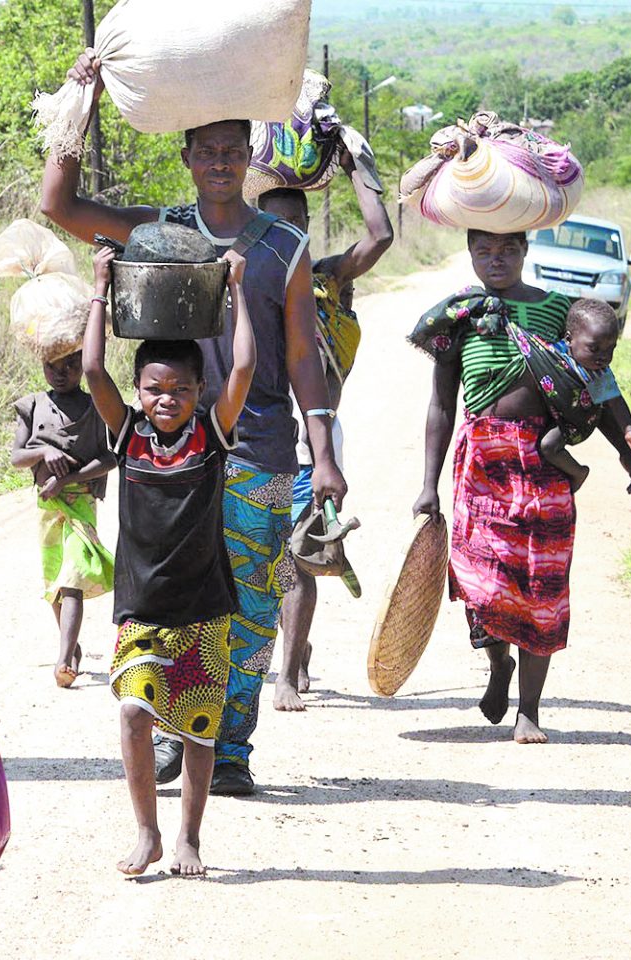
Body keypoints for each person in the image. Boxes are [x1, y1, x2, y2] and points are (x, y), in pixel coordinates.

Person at [40, 49, 347, 797]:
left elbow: (302, 356)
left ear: (251, 157)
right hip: (171, 450)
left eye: (231, 150)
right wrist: (80, 105)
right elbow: (60, 204)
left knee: (252, 604)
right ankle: (177, 730)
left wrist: (324, 450)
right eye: (205, 150)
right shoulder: (158, 230)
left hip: (260, 447)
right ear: (186, 157)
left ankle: (229, 745)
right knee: (173, 595)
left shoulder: (284, 246)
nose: (219, 162)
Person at [411, 229, 631, 745]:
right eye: (483, 251)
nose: (495, 260)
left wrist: (628, 453)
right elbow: (442, 405)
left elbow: (599, 386)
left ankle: (530, 710)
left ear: (524, 250)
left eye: (507, 250)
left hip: (542, 465)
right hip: (482, 464)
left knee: (543, 584)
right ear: (469, 253)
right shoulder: (459, 316)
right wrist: (428, 483)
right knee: (483, 583)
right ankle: (499, 662)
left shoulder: (560, 311)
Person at [84, 242, 254, 876]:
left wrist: (235, 289)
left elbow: (244, 367)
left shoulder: (211, 435)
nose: (166, 398)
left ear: (199, 391)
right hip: (142, 607)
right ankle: (147, 832)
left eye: (181, 389)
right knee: (133, 711)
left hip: (204, 607)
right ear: (138, 391)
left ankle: (189, 837)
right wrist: (100, 286)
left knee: (198, 731)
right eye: (154, 388)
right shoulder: (127, 435)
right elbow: (93, 370)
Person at [253, 149, 393, 712]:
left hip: (313, 447)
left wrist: (359, 168)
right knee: (263, 560)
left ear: (309, 226)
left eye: (297, 222)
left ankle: (286, 673)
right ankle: (297, 643)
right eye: (275, 223)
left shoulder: (327, 279)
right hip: (256, 439)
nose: (287, 232)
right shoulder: (247, 279)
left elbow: (380, 237)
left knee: (298, 558)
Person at [11, 345, 116, 688]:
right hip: (48, 507)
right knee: (55, 581)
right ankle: (72, 647)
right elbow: (17, 457)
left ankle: (64, 658)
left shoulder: (95, 406)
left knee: (73, 577)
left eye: (70, 364)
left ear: (83, 365)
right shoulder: (32, 406)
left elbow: (109, 458)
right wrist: (44, 451)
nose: (61, 373)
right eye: (52, 366)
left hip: (81, 502)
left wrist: (67, 479)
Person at [507, 297, 631, 492]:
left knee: (549, 446)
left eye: (610, 349)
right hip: (543, 416)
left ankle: (578, 472)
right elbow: (531, 356)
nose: (603, 356)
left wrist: (629, 430)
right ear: (569, 340)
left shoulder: (599, 373)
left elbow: (615, 401)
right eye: (594, 348)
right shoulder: (551, 353)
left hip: (573, 422)